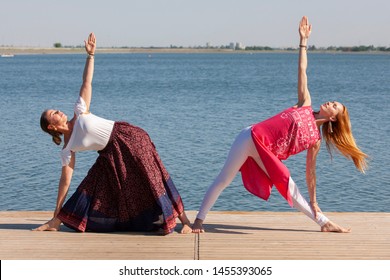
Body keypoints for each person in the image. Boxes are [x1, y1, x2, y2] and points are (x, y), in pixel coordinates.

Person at [192, 16, 368, 234]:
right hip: (249, 137)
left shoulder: (315, 140)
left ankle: (324, 222)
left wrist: (314, 201)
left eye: (334, 106)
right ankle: (198, 222)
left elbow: (310, 174)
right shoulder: (305, 104)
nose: (330, 102)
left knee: (288, 184)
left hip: (264, 152)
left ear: (333, 118)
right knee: (223, 179)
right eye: (333, 101)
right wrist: (303, 42)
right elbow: (303, 71)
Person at [34, 33, 192, 234]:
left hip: (129, 137)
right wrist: (56, 212)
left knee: (153, 176)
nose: (58, 111)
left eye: (56, 109)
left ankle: (185, 221)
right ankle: (57, 221)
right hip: (110, 153)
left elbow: (86, 82)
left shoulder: (80, 110)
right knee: (94, 183)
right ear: (51, 127)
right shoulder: (68, 149)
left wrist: (90, 56)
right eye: (53, 114)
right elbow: (65, 181)